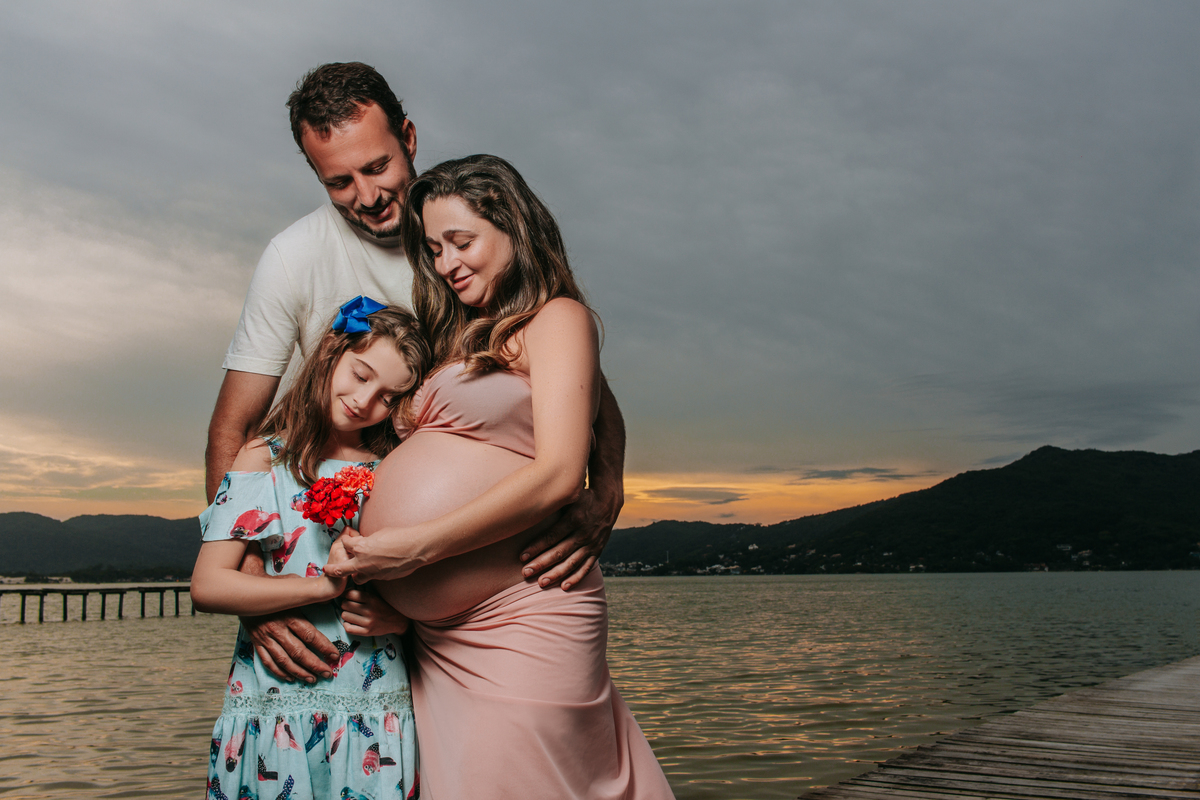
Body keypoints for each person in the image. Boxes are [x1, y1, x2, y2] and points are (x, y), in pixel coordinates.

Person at [205, 62, 628, 684]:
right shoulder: (292, 259)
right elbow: (234, 429)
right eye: (340, 182)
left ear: (407, 136)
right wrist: (255, 594)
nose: (367, 195)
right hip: (351, 598)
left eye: (377, 167)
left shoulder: (459, 240)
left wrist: (608, 487)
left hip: (483, 593)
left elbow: (579, 376)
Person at [326, 156, 675, 799]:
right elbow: (602, 405)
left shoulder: (556, 318)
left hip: (523, 618)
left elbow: (561, 472)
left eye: (462, 242)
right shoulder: (457, 332)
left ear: (513, 226)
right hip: (436, 642)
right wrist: (398, 600)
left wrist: (415, 550)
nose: (447, 263)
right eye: (434, 249)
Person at [192, 301, 430, 800]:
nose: (364, 401)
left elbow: (426, 580)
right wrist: (322, 586)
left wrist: (402, 620)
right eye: (360, 375)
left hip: (374, 708)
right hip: (273, 699)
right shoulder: (263, 459)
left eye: (388, 397)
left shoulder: (395, 470)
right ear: (330, 352)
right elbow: (208, 585)